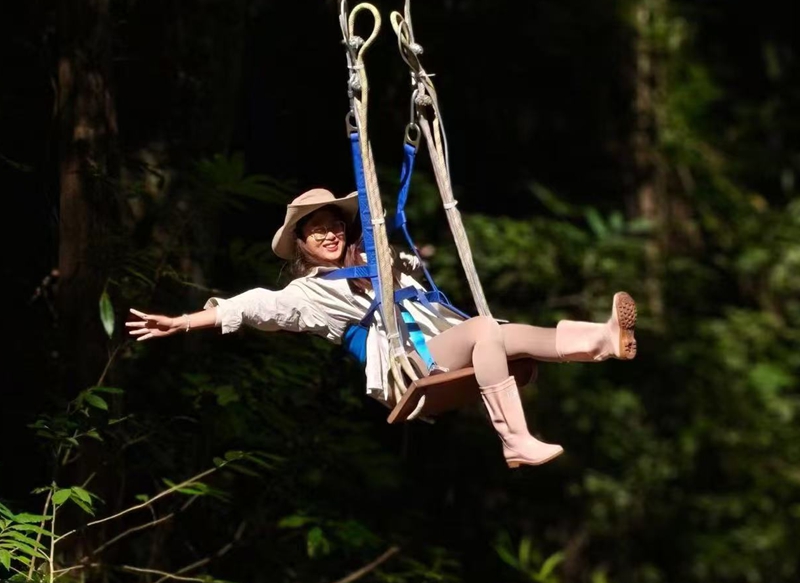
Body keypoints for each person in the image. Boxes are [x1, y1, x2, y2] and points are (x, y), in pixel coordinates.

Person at [126, 188, 637, 468]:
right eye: (315, 229)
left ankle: (601, 341)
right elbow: (255, 305)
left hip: (438, 341)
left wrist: (404, 262)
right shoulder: (308, 294)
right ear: (301, 243)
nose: (328, 233)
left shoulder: (376, 264)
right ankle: (515, 439)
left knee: (509, 332)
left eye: (333, 224)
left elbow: (416, 277)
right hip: (404, 368)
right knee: (486, 330)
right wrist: (186, 321)